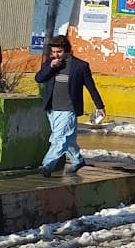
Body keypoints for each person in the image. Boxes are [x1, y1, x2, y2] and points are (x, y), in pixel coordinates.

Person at [35, 35, 105, 177]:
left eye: (59, 52)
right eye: (53, 52)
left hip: (69, 108)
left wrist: (99, 105)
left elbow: (91, 87)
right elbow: (39, 78)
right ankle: (78, 160)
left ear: (67, 50)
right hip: (52, 108)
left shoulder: (80, 66)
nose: (56, 55)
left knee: (59, 138)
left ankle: (47, 165)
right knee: (68, 139)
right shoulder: (50, 63)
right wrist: (50, 67)